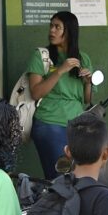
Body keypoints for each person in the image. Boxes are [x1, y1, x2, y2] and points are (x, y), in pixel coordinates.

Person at [27, 11, 93, 179]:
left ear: (69, 31)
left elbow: (86, 100)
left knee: (78, 177)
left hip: (77, 126)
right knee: (60, 177)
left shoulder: (83, 58)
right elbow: (36, 93)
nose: (52, 31)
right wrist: (60, 71)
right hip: (50, 123)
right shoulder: (42, 56)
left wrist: (87, 83)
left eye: (57, 27)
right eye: (51, 26)